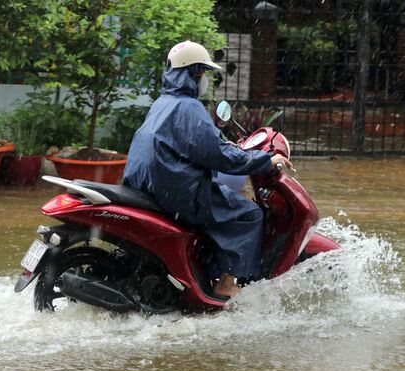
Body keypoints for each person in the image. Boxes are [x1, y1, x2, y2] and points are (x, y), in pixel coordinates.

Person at [123, 40, 292, 297]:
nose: (204, 79)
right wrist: (265, 160)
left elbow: (201, 146)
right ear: (190, 73)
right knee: (248, 213)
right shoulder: (188, 107)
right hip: (178, 190)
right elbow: (216, 154)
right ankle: (226, 283)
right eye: (202, 72)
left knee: (224, 202)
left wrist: (229, 149)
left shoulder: (164, 103)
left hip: (152, 184)